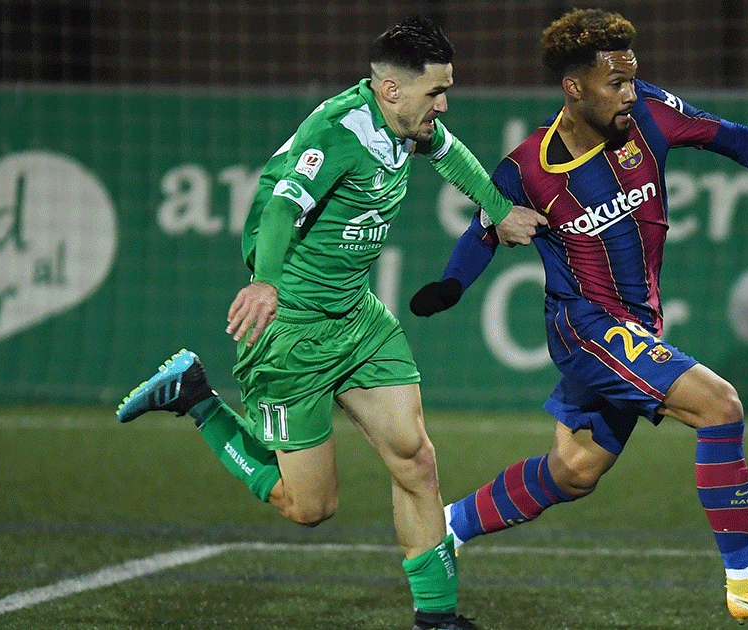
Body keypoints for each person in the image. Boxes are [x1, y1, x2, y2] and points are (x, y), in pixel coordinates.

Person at [409, 8, 748, 623]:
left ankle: (446, 529)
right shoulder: (528, 169)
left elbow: (731, 136)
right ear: (575, 87)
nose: (631, 93)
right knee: (720, 407)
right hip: (584, 328)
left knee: (574, 471)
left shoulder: (651, 115)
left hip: (633, 327)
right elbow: (483, 230)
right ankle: (747, 577)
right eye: (617, 83)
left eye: (633, 79)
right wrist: (451, 285)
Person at [116, 16, 543, 630]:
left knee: (416, 461)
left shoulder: (410, 123)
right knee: (309, 507)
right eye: (435, 92)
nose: (443, 105)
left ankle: (437, 619)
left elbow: (455, 158)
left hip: (358, 317)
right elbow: (283, 207)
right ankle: (196, 399)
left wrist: (500, 210)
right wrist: (264, 279)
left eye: (447, 89)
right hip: (292, 333)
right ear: (391, 88)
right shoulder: (339, 131)